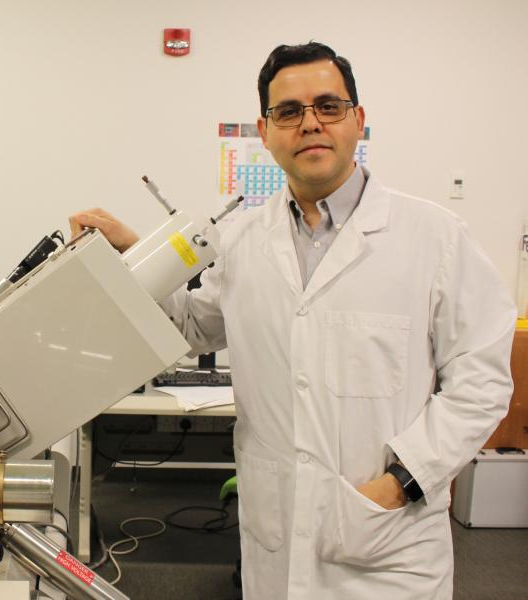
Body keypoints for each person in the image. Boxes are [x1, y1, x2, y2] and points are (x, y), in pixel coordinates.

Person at [70, 42, 516, 600]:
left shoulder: (436, 238)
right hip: (275, 543)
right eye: (289, 111)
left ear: (358, 120)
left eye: (328, 106)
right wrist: (136, 260)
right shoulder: (243, 241)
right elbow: (190, 329)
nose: (310, 124)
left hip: (387, 544)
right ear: (265, 130)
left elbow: (482, 385)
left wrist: (400, 483)